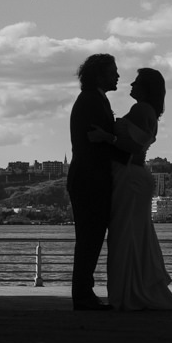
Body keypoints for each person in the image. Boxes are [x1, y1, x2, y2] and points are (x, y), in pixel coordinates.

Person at [107, 67, 172, 311]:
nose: (131, 84)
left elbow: (132, 144)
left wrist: (105, 137)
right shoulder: (148, 111)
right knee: (135, 234)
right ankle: (135, 289)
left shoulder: (141, 110)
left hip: (131, 177)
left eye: (136, 82)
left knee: (125, 235)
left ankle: (130, 292)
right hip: (137, 177)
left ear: (146, 88)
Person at [66, 51, 124, 311]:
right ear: (100, 75)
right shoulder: (91, 100)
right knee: (90, 238)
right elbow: (95, 140)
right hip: (90, 179)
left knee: (90, 238)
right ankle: (83, 294)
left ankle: (84, 292)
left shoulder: (92, 99)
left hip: (88, 178)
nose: (118, 76)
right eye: (113, 71)